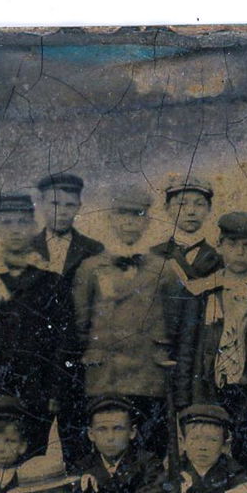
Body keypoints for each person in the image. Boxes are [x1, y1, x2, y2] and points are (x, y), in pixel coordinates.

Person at [0, 191, 81, 458]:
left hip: (37, 390)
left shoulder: (51, 282)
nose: (15, 231)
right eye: (7, 223)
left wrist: (57, 390)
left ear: (34, 228)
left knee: (32, 456)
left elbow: (65, 341)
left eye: (22, 223)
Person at [71, 185, 195, 459]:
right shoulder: (91, 268)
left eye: (137, 215)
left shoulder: (163, 269)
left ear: (147, 221)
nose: (129, 222)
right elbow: (81, 324)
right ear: (110, 219)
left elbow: (176, 324)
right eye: (121, 215)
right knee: (105, 450)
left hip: (149, 377)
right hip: (106, 377)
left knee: (148, 451)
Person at [178, 211, 247, 462]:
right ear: (219, 246)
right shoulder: (203, 292)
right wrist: (185, 399)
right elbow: (187, 347)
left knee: (246, 451)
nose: (240, 252)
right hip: (208, 388)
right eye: (232, 245)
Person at [31, 172, 105, 281]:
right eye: (55, 204)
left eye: (70, 205)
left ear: (78, 207)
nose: (62, 212)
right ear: (41, 204)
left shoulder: (93, 249)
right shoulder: (27, 246)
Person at [151, 174, 222, 279]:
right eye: (181, 204)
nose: (190, 211)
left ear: (209, 208)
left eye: (199, 204)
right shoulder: (154, 254)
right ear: (167, 208)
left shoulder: (220, 257)